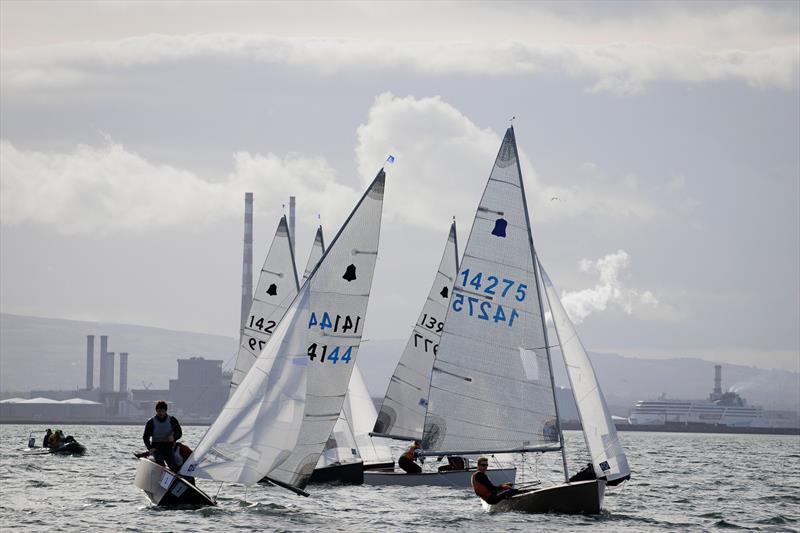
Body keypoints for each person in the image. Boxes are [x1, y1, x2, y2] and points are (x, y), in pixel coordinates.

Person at [142, 400, 183, 473]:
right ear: (156, 411)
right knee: (160, 464)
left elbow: (179, 433)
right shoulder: (151, 422)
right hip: (156, 448)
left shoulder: (172, 420)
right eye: (158, 411)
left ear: (166, 411)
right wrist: (150, 448)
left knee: (173, 466)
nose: (160, 413)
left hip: (168, 447)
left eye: (162, 411)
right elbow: (145, 437)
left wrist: (174, 437)